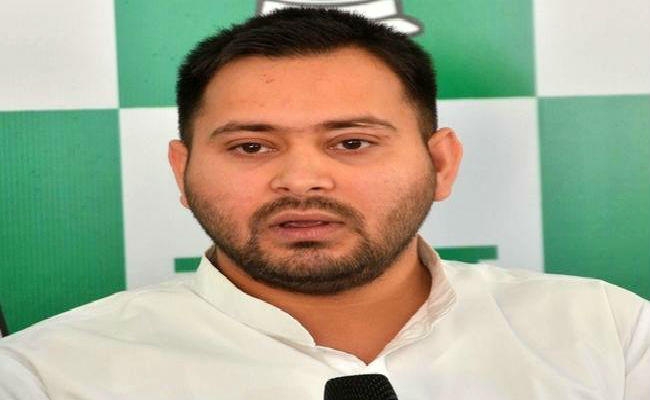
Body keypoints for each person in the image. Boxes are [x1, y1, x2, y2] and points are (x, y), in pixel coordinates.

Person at [0, 7, 648, 399]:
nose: (302, 180)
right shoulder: (45, 376)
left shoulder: (608, 335)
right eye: (252, 147)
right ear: (183, 169)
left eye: (352, 142)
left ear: (441, 163)